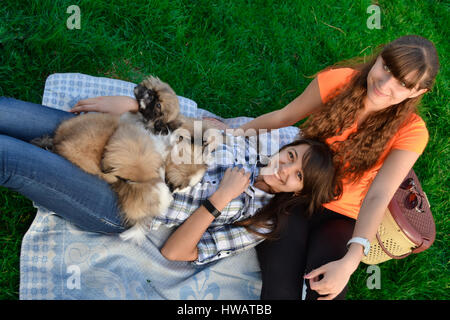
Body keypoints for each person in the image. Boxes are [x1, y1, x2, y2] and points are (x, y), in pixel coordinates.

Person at [0, 95, 338, 265]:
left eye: (297, 178)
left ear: (300, 192)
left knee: (11, 159)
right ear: (286, 148)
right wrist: (133, 105)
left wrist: (219, 199)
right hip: (117, 141)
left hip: (119, 200)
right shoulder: (245, 146)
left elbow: (176, 252)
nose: (284, 170)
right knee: (9, 111)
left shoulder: (260, 221)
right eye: (291, 157)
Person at [233, 35, 439, 300]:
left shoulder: (411, 131)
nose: (385, 84)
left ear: (417, 92)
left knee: (328, 293)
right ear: (378, 57)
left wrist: (352, 260)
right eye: (386, 67)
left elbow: (380, 193)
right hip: (297, 192)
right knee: (280, 290)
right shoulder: (339, 81)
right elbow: (285, 116)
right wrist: (232, 134)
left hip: (341, 217)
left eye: (402, 84)